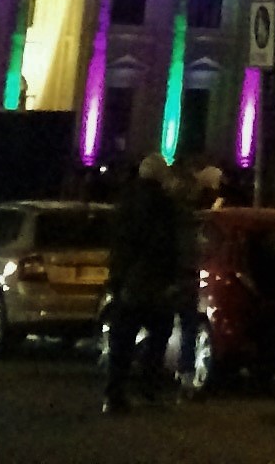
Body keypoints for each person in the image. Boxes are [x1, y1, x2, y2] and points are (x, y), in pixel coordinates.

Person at [101, 156, 191, 415]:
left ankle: (114, 392)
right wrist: (172, 278)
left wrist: (117, 278)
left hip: (128, 280)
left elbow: (118, 244)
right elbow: (167, 246)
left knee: (122, 339)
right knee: (160, 331)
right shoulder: (164, 207)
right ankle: (147, 385)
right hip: (153, 282)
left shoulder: (126, 202)